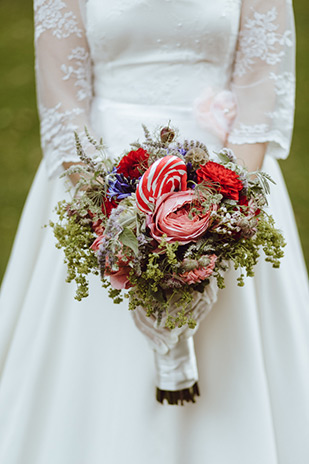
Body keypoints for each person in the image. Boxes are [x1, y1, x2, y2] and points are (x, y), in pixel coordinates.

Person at [0, 1, 308, 463]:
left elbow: (259, 93)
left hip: (224, 176)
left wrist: (218, 214)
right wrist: (110, 218)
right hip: (101, 175)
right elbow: (65, 102)